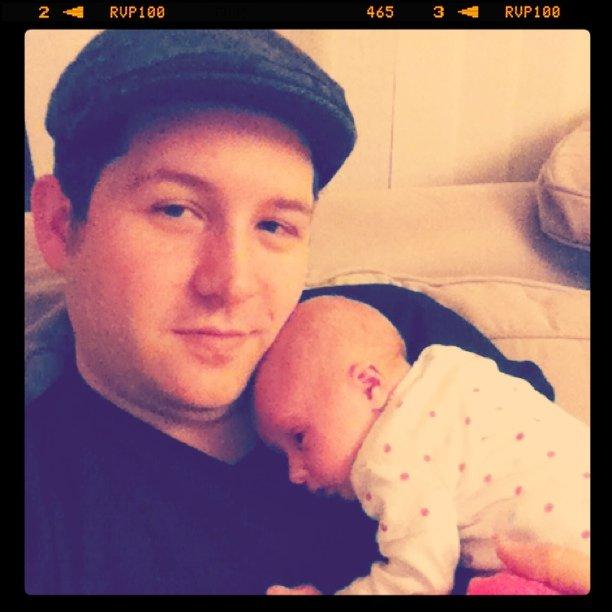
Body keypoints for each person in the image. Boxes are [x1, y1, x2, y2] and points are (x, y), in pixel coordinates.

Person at [25, 29, 565, 595]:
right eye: (176, 210)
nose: (233, 284)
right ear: (61, 225)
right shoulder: (45, 513)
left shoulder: (405, 338)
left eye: (274, 225)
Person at [254, 296, 590, 595]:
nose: (294, 474)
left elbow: (421, 579)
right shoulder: (453, 366)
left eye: (300, 438)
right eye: (282, 454)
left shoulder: (389, 456)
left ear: (369, 385)